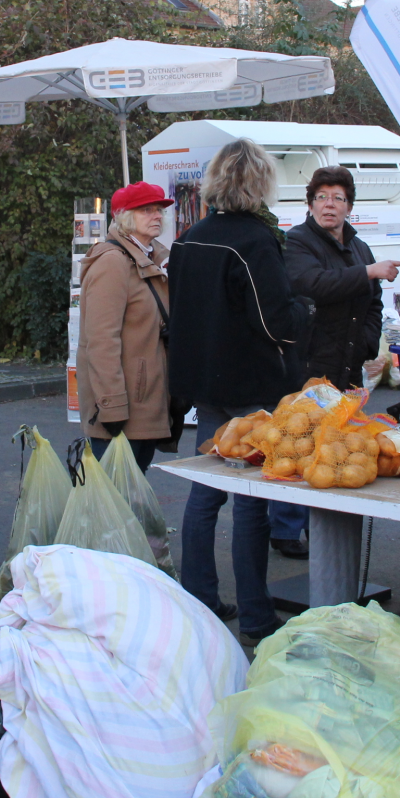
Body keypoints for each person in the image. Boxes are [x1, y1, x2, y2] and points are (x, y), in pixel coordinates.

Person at [168, 138, 310, 642]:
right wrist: (306, 311)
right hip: (251, 385)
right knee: (251, 500)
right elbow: (276, 321)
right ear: (260, 183)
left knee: (205, 493)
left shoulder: (190, 237)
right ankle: (254, 615)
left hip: (205, 382)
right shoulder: (253, 240)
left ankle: (200, 600)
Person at [281, 166, 400, 558]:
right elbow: (313, 284)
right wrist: (367, 272)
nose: (329, 205)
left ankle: (327, 530)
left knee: (337, 449)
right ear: (310, 203)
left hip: (349, 364)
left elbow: (375, 304)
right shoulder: (297, 242)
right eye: (321, 197)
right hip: (311, 362)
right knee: (299, 445)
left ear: (349, 205)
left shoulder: (358, 246)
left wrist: (368, 343)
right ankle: (285, 528)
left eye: (337, 198)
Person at [78, 181, 177, 471]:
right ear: (125, 217)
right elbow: (101, 341)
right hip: (123, 410)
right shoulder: (113, 262)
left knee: (130, 500)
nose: (157, 215)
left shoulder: (146, 258)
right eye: (147, 210)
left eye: (159, 209)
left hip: (143, 403)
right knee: (113, 504)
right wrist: (111, 406)